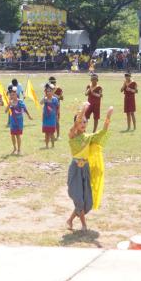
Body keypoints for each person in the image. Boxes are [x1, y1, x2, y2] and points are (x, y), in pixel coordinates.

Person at [67, 103, 113, 231]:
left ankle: (70, 220)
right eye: (80, 121)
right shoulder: (72, 135)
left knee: (87, 200)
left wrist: (108, 116)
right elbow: (75, 125)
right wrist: (83, 110)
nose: (82, 124)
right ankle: (84, 225)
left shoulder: (89, 137)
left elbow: (103, 132)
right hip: (75, 170)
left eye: (85, 122)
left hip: (85, 170)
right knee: (79, 199)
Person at [6, 86, 32, 155]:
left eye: (13, 94)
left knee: (18, 135)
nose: (12, 96)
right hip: (12, 121)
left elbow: (25, 109)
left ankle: (19, 149)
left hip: (19, 121)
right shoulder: (10, 102)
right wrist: (9, 104)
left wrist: (29, 116)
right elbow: (6, 111)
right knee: (12, 135)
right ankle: (14, 148)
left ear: (16, 94)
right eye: (11, 95)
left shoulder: (20, 101)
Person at [40, 83, 59, 149]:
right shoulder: (45, 99)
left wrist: (57, 116)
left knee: (52, 133)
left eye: (50, 91)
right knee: (46, 133)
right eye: (47, 91)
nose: (48, 92)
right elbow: (41, 103)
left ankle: (53, 145)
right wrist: (45, 96)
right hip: (46, 118)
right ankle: (47, 145)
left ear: (52, 91)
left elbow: (57, 108)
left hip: (52, 118)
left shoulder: (55, 99)